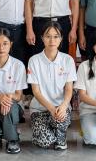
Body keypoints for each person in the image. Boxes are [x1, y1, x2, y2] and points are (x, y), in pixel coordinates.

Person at [27, 22, 77, 150]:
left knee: (60, 119)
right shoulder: (34, 60)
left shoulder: (68, 60)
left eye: (56, 36)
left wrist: (64, 106)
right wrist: (51, 108)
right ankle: (50, 132)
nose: (52, 40)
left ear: (61, 39)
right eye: (48, 36)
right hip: (39, 109)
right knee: (44, 142)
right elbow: (36, 92)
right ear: (42, 38)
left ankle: (60, 135)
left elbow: (69, 89)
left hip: (61, 108)